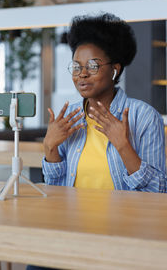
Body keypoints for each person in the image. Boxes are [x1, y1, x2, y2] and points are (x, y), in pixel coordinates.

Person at [42, 12, 167, 192]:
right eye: (76, 66)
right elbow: (55, 188)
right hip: (73, 219)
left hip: (123, 219)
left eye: (93, 65)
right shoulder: (70, 117)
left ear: (115, 70)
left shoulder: (144, 117)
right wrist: (50, 148)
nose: (82, 74)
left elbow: (159, 190)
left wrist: (123, 146)